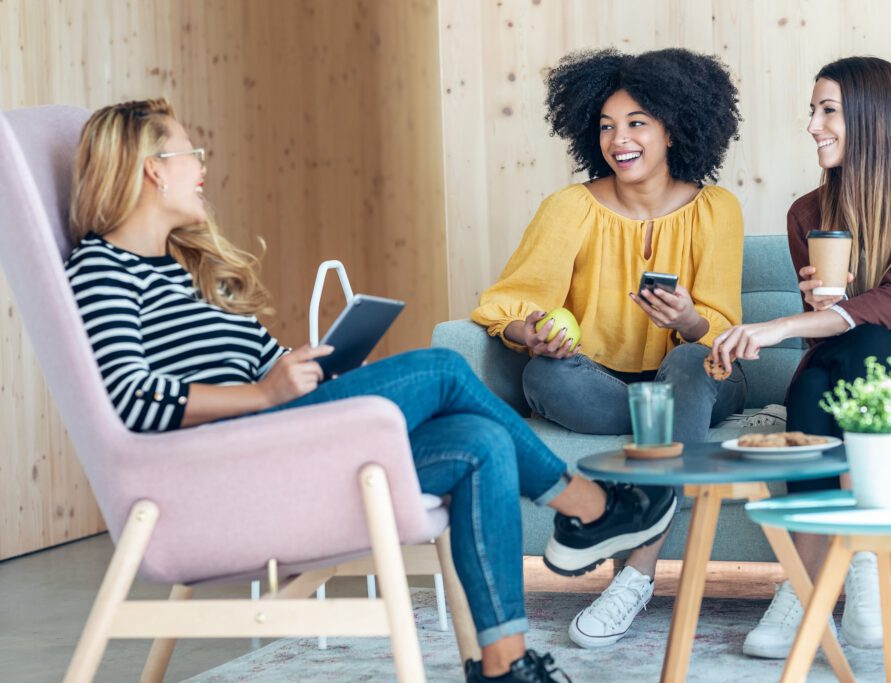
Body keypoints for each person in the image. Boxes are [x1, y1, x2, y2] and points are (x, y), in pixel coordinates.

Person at [65, 99, 678, 683]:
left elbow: (263, 365)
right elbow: (126, 397)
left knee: (481, 440)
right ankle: (588, 510)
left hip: (272, 438)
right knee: (441, 369)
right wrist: (263, 396)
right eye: (190, 153)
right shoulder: (100, 269)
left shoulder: (175, 271)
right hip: (234, 467)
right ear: (153, 170)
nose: (201, 167)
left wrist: (303, 369)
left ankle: (504, 664)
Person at [711, 56, 891, 659]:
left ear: (871, 116)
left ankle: (830, 577)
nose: (812, 125)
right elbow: (829, 343)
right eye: (812, 111)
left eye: (828, 110)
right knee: (826, 372)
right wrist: (822, 306)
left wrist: (780, 324)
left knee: (861, 343)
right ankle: (837, 575)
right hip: (846, 383)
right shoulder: (806, 215)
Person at [471, 48, 744, 649]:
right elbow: (507, 303)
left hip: (697, 366)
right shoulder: (568, 208)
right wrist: (530, 332)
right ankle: (676, 435)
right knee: (546, 375)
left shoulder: (717, 209)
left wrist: (691, 320)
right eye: (606, 126)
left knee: (688, 363)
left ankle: (635, 575)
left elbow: (724, 330)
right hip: (595, 379)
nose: (618, 139)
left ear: (674, 128)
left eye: (637, 122)